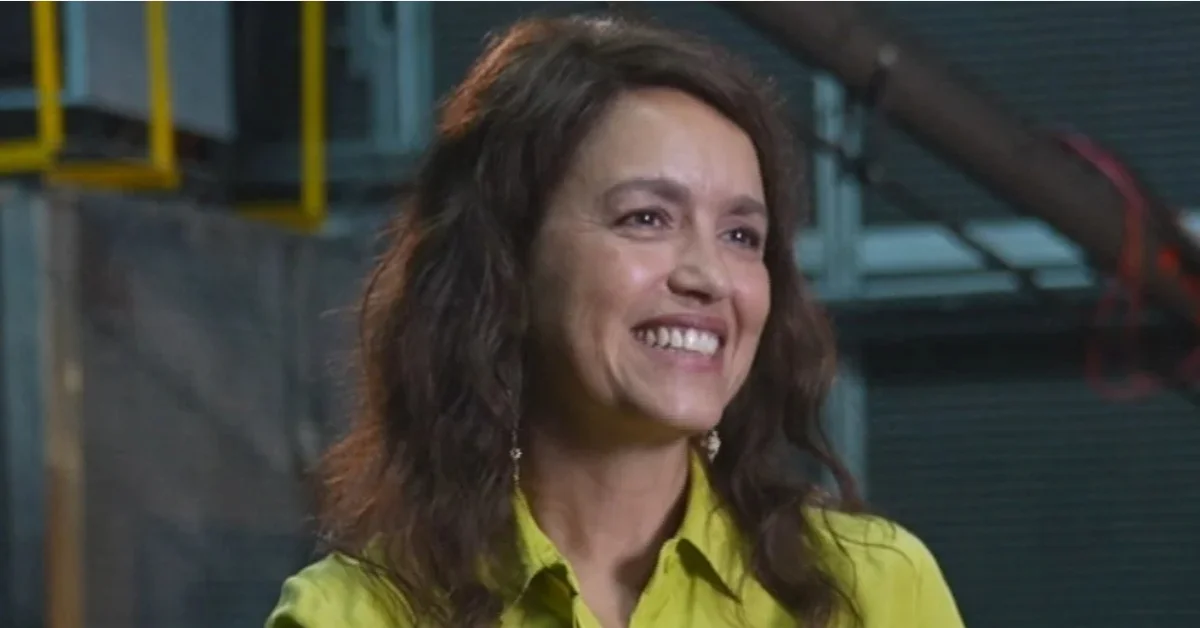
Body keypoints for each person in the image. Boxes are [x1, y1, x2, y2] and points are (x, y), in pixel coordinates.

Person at [265, 14, 965, 628]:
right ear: (509, 260)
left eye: (741, 235)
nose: (708, 276)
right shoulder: (350, 616)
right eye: (647, 218)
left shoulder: (872, 592)